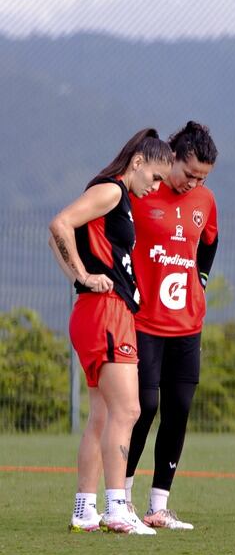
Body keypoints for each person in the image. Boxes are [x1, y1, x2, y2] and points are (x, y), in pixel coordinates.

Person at [50, 129, 174, 534]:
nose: (155, 186)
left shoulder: (117, 198)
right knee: (129, 410)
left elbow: (58, 236)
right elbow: (60, 224)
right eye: (154, 176)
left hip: (98, 312)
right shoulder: (112, 191)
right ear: (137, 162)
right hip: (105, 312)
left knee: (102, 415)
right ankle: (117, 507)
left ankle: (84, 509)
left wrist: (79, 278)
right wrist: (84, 276)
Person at [124, 120, 218, 530]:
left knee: (178, 410)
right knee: (143, 407)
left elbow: (210, 241)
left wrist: (201, 279)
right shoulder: (142, 191)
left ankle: (158, 506)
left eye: (202, 178)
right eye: (189, 173)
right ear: (172, 158)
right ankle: (121, 499)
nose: (193, 183)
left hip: (187, 324)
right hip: (144, 321)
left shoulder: (205, 200)